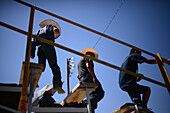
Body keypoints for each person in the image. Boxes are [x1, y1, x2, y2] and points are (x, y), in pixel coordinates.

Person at [31, 19, 65, 94]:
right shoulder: (49, 26)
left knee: (41, 67)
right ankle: (57, 85)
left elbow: (33, 42)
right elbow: (53, 29)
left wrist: (32, 52)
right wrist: (55, 29)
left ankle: (32, 81)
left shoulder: (38, 32)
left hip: (40, 48)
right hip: (48, 45)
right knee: (54, 66)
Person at [77, 48, 105, 113]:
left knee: (92, 94)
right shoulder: (87, 56)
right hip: (88, 77)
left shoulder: (80, 61)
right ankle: (87, 103)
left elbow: (78, 76)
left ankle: (91, 107)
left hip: (83, 79)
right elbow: (88, 66)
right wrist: (94, 77)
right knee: (100, 92)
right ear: (90, 54)